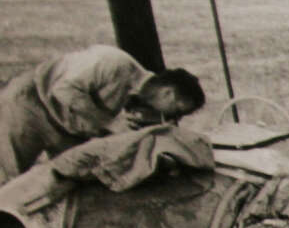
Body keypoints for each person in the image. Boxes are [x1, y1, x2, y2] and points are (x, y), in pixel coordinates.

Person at [0, 45, 205, 184]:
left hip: (63, 125)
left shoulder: (136, 97)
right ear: (167, 93)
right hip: (30, 105)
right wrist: (110, 123)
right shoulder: (114, 62)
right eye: (177, 111)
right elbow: (63, 90)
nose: (172, 119)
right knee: (13, 183)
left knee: (71, 179)